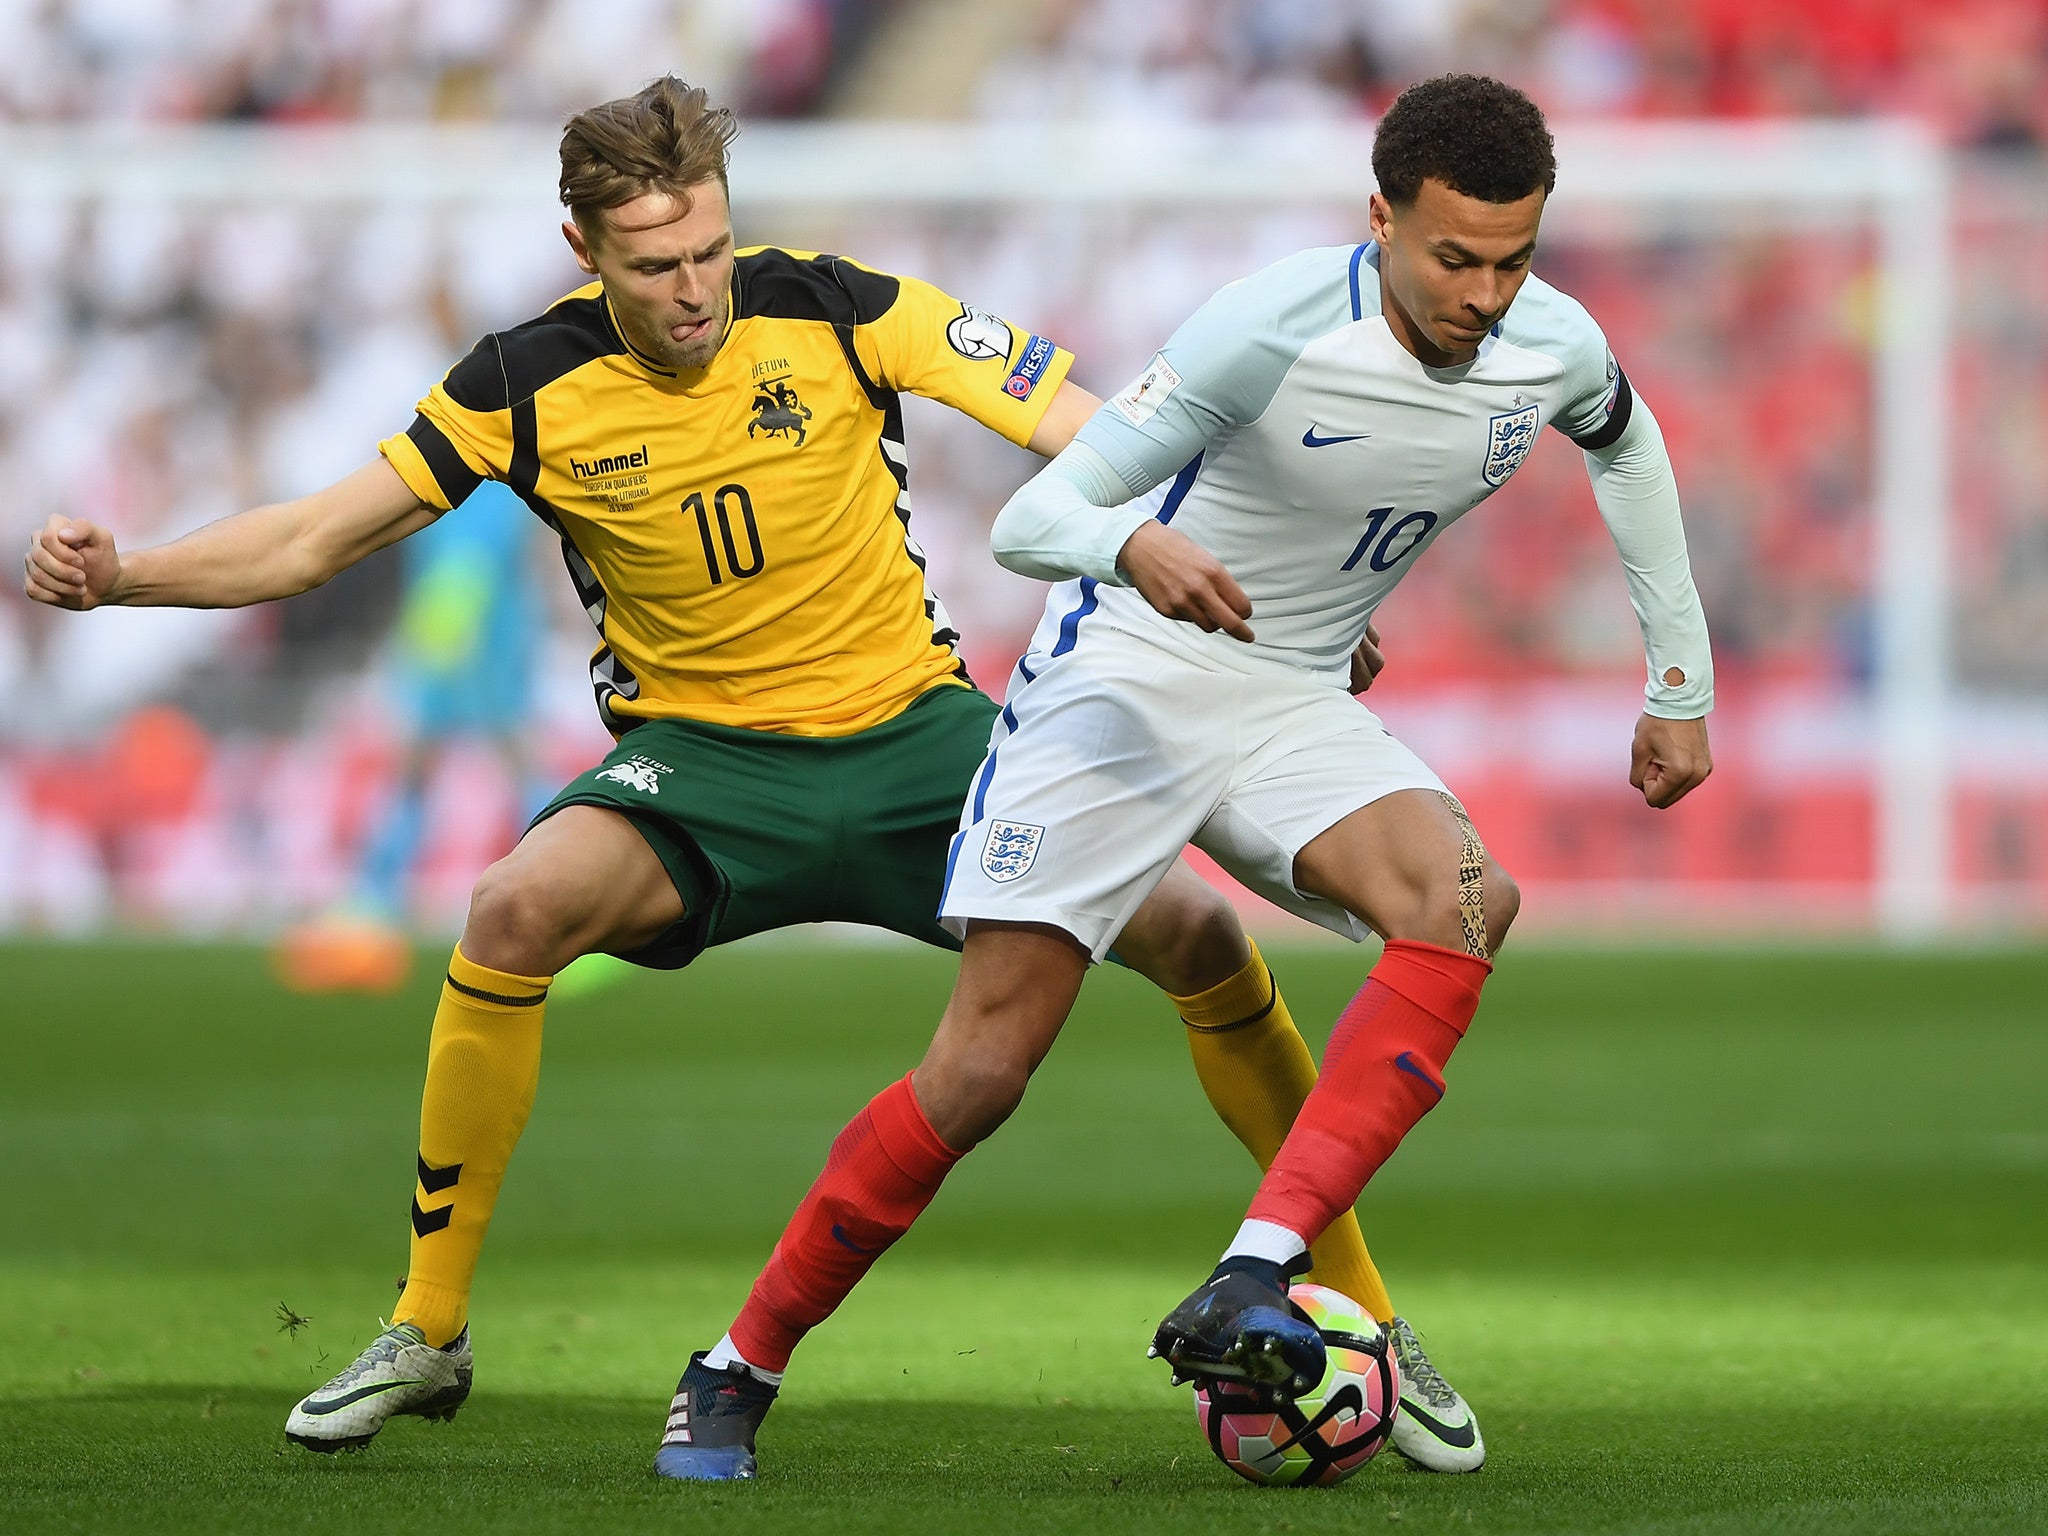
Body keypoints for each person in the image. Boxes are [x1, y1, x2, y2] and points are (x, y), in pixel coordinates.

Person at [20, 76, 1477, 1471]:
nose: (694, 290)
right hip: (703, 771)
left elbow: (1091, 426)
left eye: (710, 250)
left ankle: (1362, 1316)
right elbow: (309, 540)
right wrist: (124, 575)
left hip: (924, 750)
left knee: (1203, 934)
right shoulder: (521, 383)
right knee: (512, 910)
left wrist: (1252, 580)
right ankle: (427, 1329)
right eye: (654, 266)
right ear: (584, 249)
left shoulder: (840, 308)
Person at [675, 71, 1713, 1476]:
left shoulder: (1554, 345)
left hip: (1288, 695)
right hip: (1122, 678)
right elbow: (1038, 519)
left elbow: (1628, 441)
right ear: (1381, 220)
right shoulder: (1267, 327)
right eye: (1453, 259)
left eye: (1512, 261)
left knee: (1466, 897)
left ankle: (1259, 1273)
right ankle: (737, 1365)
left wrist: (1678, 684)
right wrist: (1138, 545)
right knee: (982, 1071)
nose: (1483, 295)